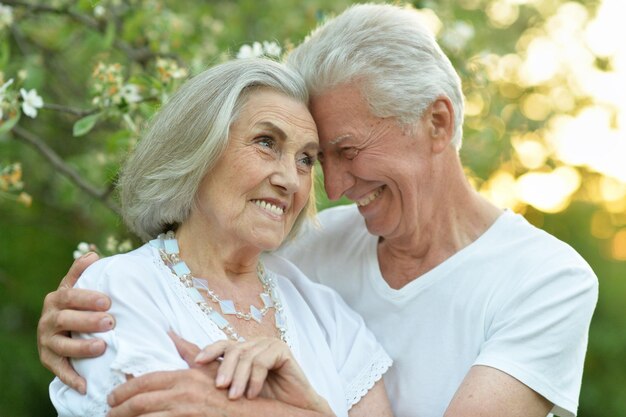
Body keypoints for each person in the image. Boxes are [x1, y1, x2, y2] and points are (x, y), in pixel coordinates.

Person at [38, 3, 598, 417]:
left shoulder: (547, 280)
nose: (328, 184)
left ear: (438, 123)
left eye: (340, 152)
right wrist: (71, 321)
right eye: (319, 158)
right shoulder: (298, 248)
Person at [47, 57, 394, 417]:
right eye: (266, 142)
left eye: (306, 160)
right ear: (198, 148)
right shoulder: (119, 288)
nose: (291, 180)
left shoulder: (327, 314)